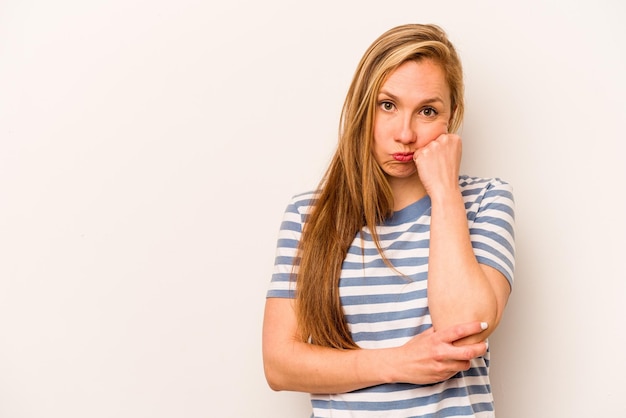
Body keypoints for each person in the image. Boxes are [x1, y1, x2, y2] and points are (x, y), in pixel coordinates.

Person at [262, 23, 515, 417]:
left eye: (427, 111)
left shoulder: (484, 200)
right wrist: (399, 362)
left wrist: (445, 192)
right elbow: (279, 364)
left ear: (452, 117)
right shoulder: (308, 216)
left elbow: (467, 327)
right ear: (363, 108)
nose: (405, 134)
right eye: (388, 105)